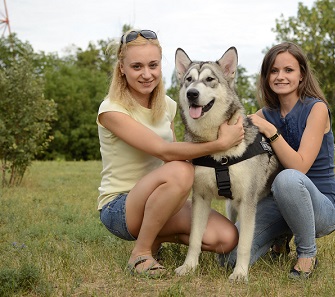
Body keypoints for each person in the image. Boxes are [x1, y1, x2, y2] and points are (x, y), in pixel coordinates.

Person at [96, 29, 244, 277]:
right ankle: (141, 253)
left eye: (153, 65)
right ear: (121, 68)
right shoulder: (111, 109)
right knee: (180, 170)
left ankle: (154, 238)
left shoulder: (167, 105)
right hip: (120, 208)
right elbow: (165, 151)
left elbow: (180, 152)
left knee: (226, 238)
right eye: (136, 66)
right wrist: (220, 143)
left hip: (163, 200)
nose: (146, 74)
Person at [222, 42, 335, 279]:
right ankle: (280, 236)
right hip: (278, 201)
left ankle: (306, 254)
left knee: (287, 178)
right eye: (274, 71)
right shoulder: (265, 113)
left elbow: (300, 166)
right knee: (228, 259)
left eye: (288, 70)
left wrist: (270, 130)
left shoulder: (317, 109)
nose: (280, 76)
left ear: (302, 75)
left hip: (320, 206)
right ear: (266, 77)